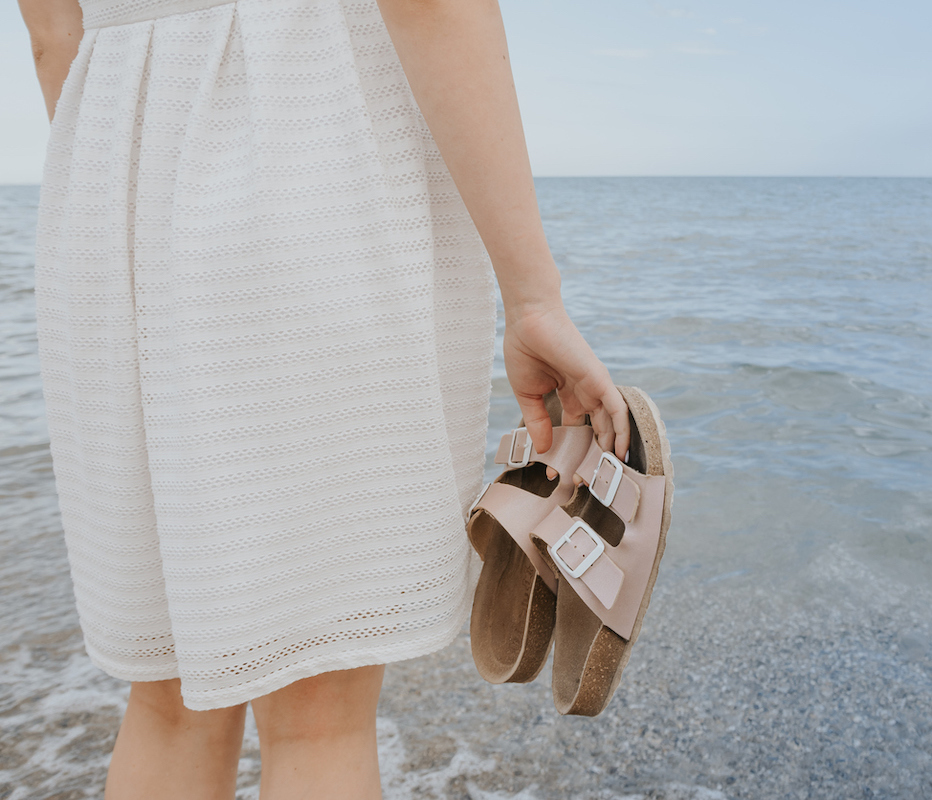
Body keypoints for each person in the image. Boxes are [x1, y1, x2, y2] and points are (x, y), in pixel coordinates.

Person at [18, 0, 629, 796]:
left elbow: (51, 34)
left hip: (109, 204)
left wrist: (143, 203)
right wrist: (533, 296)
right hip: (309, 174)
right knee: (319, 711)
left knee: (167, 697)